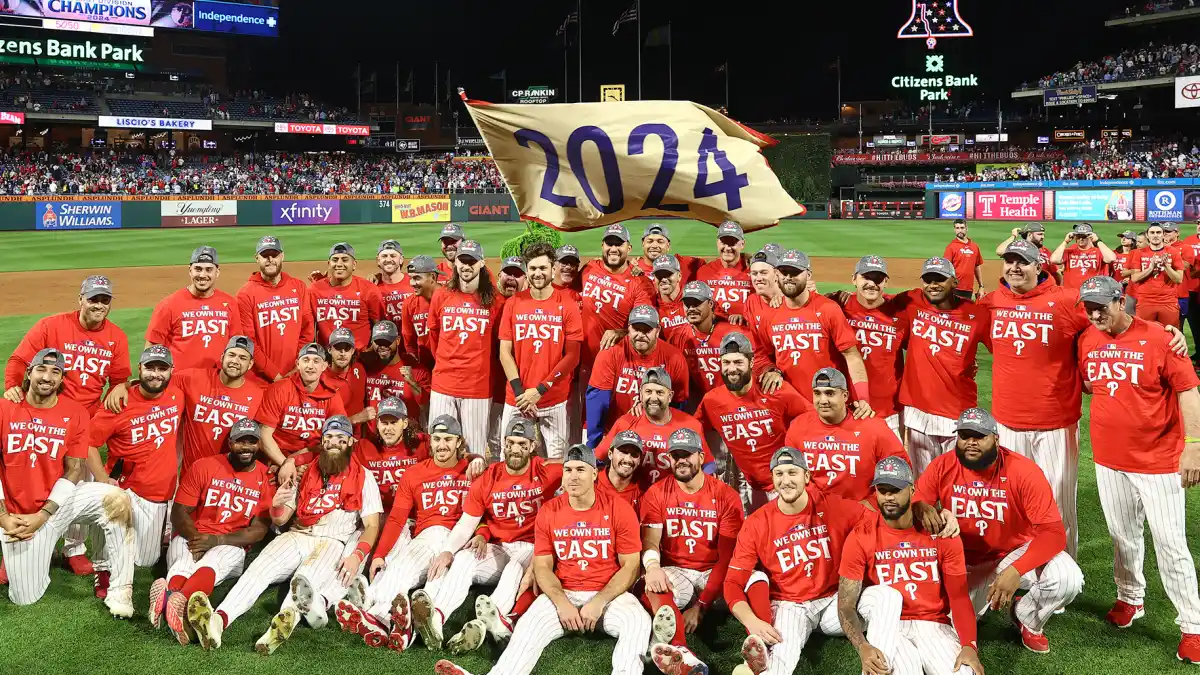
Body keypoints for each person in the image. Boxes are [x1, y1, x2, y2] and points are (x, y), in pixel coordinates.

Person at [433, 443, 650, 675]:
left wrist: (599, 602)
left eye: (581, 470)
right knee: (526, 630)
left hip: (608, 596)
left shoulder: (619, 509)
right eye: (568, 470)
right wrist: (561, 603)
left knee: (638, 623)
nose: (573, 477)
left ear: (595, 473)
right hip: (563, 593)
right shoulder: (549, 511)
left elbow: (631, 566)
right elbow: (543, 566)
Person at [1076, 274, 1200, 662]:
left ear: (1121, 301)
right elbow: (1090, 386)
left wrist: (1194, 446)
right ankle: (1131, 599)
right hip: (1109, 459)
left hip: (1159, 461)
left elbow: (1188, 391)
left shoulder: (1163, 338)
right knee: (1122, 535)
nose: (1095, 312)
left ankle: (1193, 627)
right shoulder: (1088, 340)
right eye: (1088, 306)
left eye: (1102, 305)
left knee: (1170, 544)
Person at [187, 415, 383, 655]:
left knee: (302, 582)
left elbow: (372, 525)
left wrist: (356, 555)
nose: (334, 443)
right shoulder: (306, 472)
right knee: (258, 570)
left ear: (351, 442)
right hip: (297, 534)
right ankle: (218, 620)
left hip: (332, 540)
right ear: (322, 442)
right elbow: (280, 518)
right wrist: (277, 505)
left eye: (341, 439)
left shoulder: (364, 477)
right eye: (329, 438)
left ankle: (281, 624)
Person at [914, 408, 1083, 654]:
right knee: (945, 628)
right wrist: (921, 507)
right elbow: (917, 502)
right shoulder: (943, 465)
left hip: (1011, 554)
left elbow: (1053, 532)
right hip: (963, 562)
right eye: (964, 436)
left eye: (979, 436)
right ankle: (975, 600)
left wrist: (1016, 570)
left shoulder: (1022, 471)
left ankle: (1026, 617)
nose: (970, 443)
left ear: (996, 439)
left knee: (1067, 578)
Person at [724, 447, 904, 675]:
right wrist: (751, 621)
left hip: (834, 603)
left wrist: (919, 510)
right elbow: (732, 584)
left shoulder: (832, 506)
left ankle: (878, 670)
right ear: (773, 479)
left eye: (792, 473)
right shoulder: (757, 523)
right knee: (781, 658)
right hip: (792, 606)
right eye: (779, 474)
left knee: (887, 596)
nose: (786, 480)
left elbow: (882, 522)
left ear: (806, 477)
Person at [0, 348, 135, 616]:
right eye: (41, 369)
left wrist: (44, 514)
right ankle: (15, 547)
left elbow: (74, 469)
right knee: (24, 597)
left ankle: (118, 588)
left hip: (57, 504)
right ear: (29, 373)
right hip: (17, 511)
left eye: (56, 372)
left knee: (116, 498)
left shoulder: (75, 413)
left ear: (62, 380)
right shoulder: (4, 409)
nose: (47, 377)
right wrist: (3, 516)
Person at [428, 417, 565, 654]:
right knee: (464, 558)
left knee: (515, 569)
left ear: (533, 446)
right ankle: (436, 619)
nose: (515, 449)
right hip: (499, 547)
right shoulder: (488, 477)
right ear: (503, 443)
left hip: (532, 548)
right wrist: (448, 551)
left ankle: (488, 621)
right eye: (511, 442)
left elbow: (580, 467)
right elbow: (465, 524)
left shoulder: (547, 471)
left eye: (522, 444)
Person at [337, 414, 475, 650]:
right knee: (413, 569)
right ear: (429, 441)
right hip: (430, 532)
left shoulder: (472, 470)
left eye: (448, 440)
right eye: (437, 439)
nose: (442, 445)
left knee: (413, 571)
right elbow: (397, 519)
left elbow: (487, 511)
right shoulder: (414, 473)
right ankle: (402, 630)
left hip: (461, 537)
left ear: (459, 442)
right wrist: (379, 554)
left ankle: (376, 614)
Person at [839, 456, 986, 675]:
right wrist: (863, 647)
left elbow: (958, 596)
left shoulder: (942, 531)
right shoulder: (862, 535)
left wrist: (969, 645)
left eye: (896, 490)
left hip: (934, 625)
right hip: (890, 623)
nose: (888, 497)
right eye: (882, 490)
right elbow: (845, 605)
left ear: (912, 489)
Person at [150, 417, 274, 646]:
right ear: (229, 443)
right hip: (193, 533)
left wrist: (215, 540)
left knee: (212, 563)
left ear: (259, 445)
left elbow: (258, 530)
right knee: (183, 562)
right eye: (240, 441)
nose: (246, 447)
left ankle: (171, 598)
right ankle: (177, 606)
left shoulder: (266, 478)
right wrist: (198, 539)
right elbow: (179, 511)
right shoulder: (205, 466)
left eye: (252, 442)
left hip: (231, 542)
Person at [80, 345, 184, 598]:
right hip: (126, 486)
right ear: (140, 369)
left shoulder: (177, 395)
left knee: (145, 561)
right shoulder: (118, 404)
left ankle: (157, 531)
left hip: (159, 492)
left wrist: (124, 383)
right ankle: (102, 567)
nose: (155, 374)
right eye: (150, 367)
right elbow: (88, 443)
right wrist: (105, 481)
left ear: (171, 371)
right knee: (105, 503)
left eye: (162, 368)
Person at [641, 427, 744, 675]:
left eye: (687, 454)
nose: (681, 461)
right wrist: (653, 567)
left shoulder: (725, 496)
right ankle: (681, 651)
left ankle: (760, 646)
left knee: (756, 579)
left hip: (714, 571)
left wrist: (701, 605)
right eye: (676, 455)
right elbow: (651, 542)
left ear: (701, 457)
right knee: (653, 583)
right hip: (678, 569)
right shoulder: (657, 493)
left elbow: (726, 557)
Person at [893, 257, 989, 476]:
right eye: (928, 279)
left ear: (954, 282)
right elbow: (875, 305)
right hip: (918, 411)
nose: (933, 285)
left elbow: (1003, 351)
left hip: (957, 411)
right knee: (924, 484)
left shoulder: (977, 315)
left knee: (957, 484)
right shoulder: (911, 301)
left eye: (940, 279)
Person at [696, 332, 812, 512]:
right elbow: (691, 428)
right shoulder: (712, 400)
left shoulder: (775, 390)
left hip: (785, 483)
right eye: (726, 363)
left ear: (751, 363)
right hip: (749, 487)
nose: (731, 369)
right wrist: (709, 467)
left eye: (738, 362)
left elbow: (814, 418)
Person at [498, 242, 584, 461]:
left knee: (555, 464)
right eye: (533, 268)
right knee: (508, 459)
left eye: (543, 268)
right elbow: (504, 352)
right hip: (517, 398)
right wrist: (520, 394)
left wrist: (540, 390)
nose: (538, 273)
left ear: (553, 268)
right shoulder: (514, 303)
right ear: (527, 270)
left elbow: (572, 356)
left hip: (553, 399)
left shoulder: (568, 304)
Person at [752, 249, 870, 402]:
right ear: (777, 275)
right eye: (784, 272)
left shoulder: (828, 309)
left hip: (826, 404)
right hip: (787, 402)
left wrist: (863, 399)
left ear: (808, 275)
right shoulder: (769, 315)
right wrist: (770, 370)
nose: (788, 277)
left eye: (795, 273)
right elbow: (762, 354)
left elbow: (852, 356)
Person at [4, 274, 130, 416]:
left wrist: (102, 415)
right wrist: (12, 385)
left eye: (105, 301)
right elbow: (19, 360)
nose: (99, 306)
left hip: (88, 415)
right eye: (93, 300)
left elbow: (118, 381)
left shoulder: (117, 337)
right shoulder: (51, 326)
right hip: (48, 409)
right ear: (80, 299)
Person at [427, 240, 506, 457]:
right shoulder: (441, 295)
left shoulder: (495, 302)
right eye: (463, 260)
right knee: (440, 451)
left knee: (474, 455)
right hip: (443, 384)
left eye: (472, 261)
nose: (466, 266)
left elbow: (500, 346)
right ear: (455, 263)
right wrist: (446, 361)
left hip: (477, 389)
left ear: (482, 263)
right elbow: (434, 336)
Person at [785, 367, 907, 501]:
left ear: (845, 396)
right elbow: (791, 474)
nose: (823, 400)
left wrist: (872, 503)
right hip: (815, 508)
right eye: (817, 393)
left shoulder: (873, 427)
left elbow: (901, 468)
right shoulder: (798, 427)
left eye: (830, 393)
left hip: (862, 511)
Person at [586, 305, 689, 447]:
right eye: (636, 329)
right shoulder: (610, 354)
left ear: (657, 331)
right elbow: (597, 403)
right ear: (628, 328)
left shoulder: (674, 357)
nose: (641, 335)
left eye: (647, 330)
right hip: (614, 434)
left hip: (657, 434)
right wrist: (595, 444)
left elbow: (678, 405)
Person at [595, 367, 713, 487]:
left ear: (670, 396)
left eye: (660, 392)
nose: (653, 398)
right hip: (633, 496)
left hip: (672, 498)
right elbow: (597, 457)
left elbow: (708, 465)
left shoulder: (691, 425)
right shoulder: (625, 422)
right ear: (641, 394)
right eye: (648, 392)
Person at [176, 336, 267, 472]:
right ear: (222, 356)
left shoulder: (258, 395)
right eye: (232, 355)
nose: (235, 361)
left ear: (250, 364)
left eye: (242, 358)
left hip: (228, 479)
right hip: (191, 474)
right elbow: (158, 382)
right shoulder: (192, 379)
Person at [839, 255, 907, 438]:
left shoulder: (901, 312)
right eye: (866, 277)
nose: (872, 284)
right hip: (848, 407)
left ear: (885, 281)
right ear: (854, 279)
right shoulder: (837, 308)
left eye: (878, 279)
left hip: (889, 410)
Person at [260, 343, 347, 481]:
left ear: (324, 366)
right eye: (305, 360)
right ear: (297, 364)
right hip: (277, 459)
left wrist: (297, 461)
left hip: (313, 458)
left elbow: (337, 438)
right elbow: (264, 435)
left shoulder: (332, 396)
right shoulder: (279, 389)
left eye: (316, 361)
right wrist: (285, 464)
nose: (310, 366)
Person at [146, 246, 241, 371]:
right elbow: (152, 347)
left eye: (208, 270)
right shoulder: (168, 305)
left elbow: (236, 345)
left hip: (217, 380)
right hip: (180, 382)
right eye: (198, 269)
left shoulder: (229, 303)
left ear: (217, 272)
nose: (202, 275)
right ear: (190, 270)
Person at [235, 235, 314, 383]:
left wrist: (297, 366)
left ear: (282, 256)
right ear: (257, 258)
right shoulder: (245, 294)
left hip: (295, 374)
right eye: (265, 255)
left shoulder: (298, 287)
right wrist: (275, 375)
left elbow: (307, 330)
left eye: (274, 255)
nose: (270, 259)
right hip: (260, 379)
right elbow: (248, 341)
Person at [579, 223, 655, 365]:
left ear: (629, 248)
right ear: (603, 246)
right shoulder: (589, 268)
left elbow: (647, 326)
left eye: (619, 244)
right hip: (584, 361)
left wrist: (621, 332)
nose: (613, 249)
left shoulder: (641, 283)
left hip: (619, 363)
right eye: (610, 243)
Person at [668, 280, 753, 407]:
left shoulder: (735, 331)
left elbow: (756, 363)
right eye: (687, 304)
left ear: (711, 304)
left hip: (732, 404)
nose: (691, 309)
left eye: (697, 303)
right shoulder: (677, 336)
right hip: (695, 406)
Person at [351, 397, 430, 512]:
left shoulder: (421, 444)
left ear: (405, 423)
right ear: (377, 424)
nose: (388, 428)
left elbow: (452, 450)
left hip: (411, 517)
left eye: (393, 423)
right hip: (375, 516)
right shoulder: (364, 448)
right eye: (384, 423)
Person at [308, 242, 385, 349]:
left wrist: (371, 351)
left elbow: (380, 325)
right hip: (327, 356)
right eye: (335, 260)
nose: (339, 264)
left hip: (359, 356)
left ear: (354, 265)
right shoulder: (314, 290)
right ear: (329, 263)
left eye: (345, 260)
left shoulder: (369, 289)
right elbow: (306, 327)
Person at [362, 321, 431, 430]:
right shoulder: (365, 367)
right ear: (372, 342)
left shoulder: (417, 370)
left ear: (398, 340)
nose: (382, 347)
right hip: (372, 440)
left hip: (405, 438)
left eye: (387, 342)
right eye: (378, 342)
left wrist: (412, 383)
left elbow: (426, 407)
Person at [1125, 223, 1186, 326]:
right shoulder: (1139, 253)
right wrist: (1150, 268)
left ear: (1163, 235)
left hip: (1168, 302)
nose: (1155, 235)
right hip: (1145, 301)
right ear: (1147, 235)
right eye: (1152, 233)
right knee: (1144, 337)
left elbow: (1178, 279)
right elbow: (1135, 278)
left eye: (1158, 232)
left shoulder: (1173, 252)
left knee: (1170, 336)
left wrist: (1166, 265)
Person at [695, 221, 753, 324]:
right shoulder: (704, 272)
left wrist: (746, 316)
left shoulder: (754, 272)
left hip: (743, 329)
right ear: (717, 243)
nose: (727, 248)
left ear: (742, 244)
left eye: (732, 243)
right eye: (723, 242)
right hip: (713, 331)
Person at [400, 255, 444, 370]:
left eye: (417, 278)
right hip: (425, 365)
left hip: (449, 364)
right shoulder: (409, 304)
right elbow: (409, 343)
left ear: (433, 277)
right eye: (410, 278)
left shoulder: (450, 298)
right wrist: (418, 370)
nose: (412, 283)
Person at [324, 327, 370, 425]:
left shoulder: (360, 369)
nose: (342, 353)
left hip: (357, 438)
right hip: (334, 438)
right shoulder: (320, 377)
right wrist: (354, 419)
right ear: (329, 350)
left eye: (347, 348)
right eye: (338, 347)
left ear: (353, 350)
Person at [1050, 223, 1116, 289]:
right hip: (1071, 293)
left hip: (1092, 293)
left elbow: (1111, 258)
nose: (1081, 239)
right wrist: (1065, 242)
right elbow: (1054, 260)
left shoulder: (1098, 252)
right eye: (1078, 236)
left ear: (1090, 236)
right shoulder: (1069, 251)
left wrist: (1098, 241)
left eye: (1084, 236)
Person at [633, 222, 703, 284]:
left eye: (660, 241)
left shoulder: (681, 263)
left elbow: (707, 266)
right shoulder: (632, 267)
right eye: (650, 241)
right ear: (643, 244)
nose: (654, 245)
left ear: (668, 246)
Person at [995, 223, 1061, 286]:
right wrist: (1013, 236)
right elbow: (999, 251)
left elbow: (1056, 272)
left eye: (1043, 234)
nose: (1042, 237)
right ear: (1030, 235)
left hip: (1041, 290)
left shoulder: (1046, 251)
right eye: (1039, 234)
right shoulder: (1019, 247)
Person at [598, 430, 647, 510]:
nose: (628, 459)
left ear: (639, 460)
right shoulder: (591, 484)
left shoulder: (644, 493)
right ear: (610, 454)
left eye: (634, 454)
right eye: (623, 452)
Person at [743, 245, 784, 332]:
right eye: (754, 273)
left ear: (777, 274)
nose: (758, 278)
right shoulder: (751, 302)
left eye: (764, 273)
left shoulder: (791, 300)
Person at [376, 239, 415, 327]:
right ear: (378, 260)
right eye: (384, 256)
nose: (388, 259)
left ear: (401, 259)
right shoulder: (373, 287)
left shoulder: (414, 282)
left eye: (393, 256)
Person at [944, 218, 985, 300]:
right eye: (957, 228)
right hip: (954, 288)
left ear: (967, 229)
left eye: (962, 228)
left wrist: (981, 286)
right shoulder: (951, 247)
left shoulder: (974, 247)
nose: (960, 230)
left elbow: (976, 267)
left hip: (968, 289)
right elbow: (945, 268)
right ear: (954, 229)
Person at [651, 254, 690, 341]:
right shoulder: (652, 306)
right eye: (659, 275)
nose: (664, 279)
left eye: (668, 274)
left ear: (679, 276)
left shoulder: (693, 300)